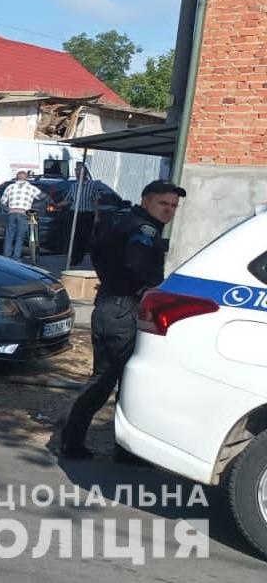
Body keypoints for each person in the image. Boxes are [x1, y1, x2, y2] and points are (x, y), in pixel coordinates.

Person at [59, 179, 186, 460]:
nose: (169, 210)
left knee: (108, 379)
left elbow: (99, 251)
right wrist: (150, 289)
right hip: (125, 310)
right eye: (163, 203)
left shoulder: (121, 221)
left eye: (174, 206)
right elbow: (136, 263)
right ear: (146, 201)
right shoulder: (144, 229)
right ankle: (113, 448)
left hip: (109, 305)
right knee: (119, 380)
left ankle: (87, 442)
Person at [62, 162, 102, 263]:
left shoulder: (92, 185)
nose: (77, 174)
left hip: (86, 214)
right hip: (74, 213)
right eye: (76, 172)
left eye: (79, 172)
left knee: (84, 236)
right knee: (74, 236)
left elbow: (95, 200)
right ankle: (74, 258)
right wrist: (57, 204)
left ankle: (80, 256)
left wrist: (96, 216)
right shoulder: (74, 186)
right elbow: (68, 199)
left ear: (84, 173)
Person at [0, 171, 43, 259]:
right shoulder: (31, 188)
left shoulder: (10, 187)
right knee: (20, 237)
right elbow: (42, 197)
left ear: (16, 178)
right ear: (26, 178)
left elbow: (2, 201)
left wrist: (8, 210)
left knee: (9, 236)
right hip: (23, 214)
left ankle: (6, 256)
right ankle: (16, 257)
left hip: (11, 213)